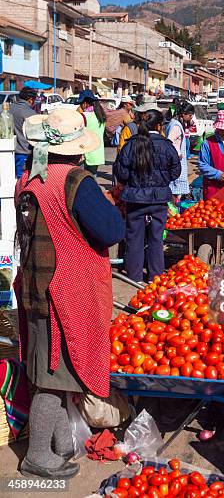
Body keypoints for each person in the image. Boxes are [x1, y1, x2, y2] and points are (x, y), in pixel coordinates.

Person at [14, 109, 125, 479]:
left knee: (56, 370)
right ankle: (37, 456)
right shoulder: (76, 182)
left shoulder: (28, 179)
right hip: (67, 292)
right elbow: (110, 231)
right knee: (51, 377)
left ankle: (61, 445)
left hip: (36, 287)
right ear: (76, 149)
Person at [114, 110, 181, 282]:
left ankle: (134, 276)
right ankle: (155, 276)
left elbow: (121, 173)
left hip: (135, 199)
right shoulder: (167, 146)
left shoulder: (131, 145)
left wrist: (133, 181)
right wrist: (162, 180)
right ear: (159, 126)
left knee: (134, 238)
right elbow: (176, 171)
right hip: (159, 199)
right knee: (156, 239)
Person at [166, 102, 195, 202]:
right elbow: (170, 141)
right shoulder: (176, 126)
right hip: (176, 162)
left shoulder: (175, 123)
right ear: (183, 114)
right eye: (190, 115)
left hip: (175, 162)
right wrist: (178, 154)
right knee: (175, 194)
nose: (191, 118)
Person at [75, 90, 106, 176]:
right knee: (92, 178)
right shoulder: (100, 115)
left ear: (84, 103)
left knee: (81, 180)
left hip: (85, 153)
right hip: (96, 152)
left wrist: (78, 112)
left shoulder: (84, 116)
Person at [9, 88, 38, 178]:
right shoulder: (31, 113)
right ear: (30, 100)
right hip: (24, 152)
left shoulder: (7, 108)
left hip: (8, 151)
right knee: (21, 181)